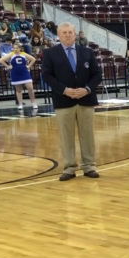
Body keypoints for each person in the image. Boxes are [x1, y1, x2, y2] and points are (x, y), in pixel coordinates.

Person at [42, 22, 102, 181]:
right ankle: (69, 168)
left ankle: (89, 166)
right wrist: (64, 90)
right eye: (64, 32)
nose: (67, 35)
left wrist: (87, 89)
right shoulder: (50, 53)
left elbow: (97, 74)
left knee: (87, 135)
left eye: (70, 32)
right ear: (58, 35)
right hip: (63, 100)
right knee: (66, 136)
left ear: (75, 34)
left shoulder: (87, 52)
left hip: (86, 99)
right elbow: (47, 76)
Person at [0, 42, 37, 113]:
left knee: (30, 88)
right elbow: (1, 60)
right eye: (14, 48)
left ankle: (33, 103)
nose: (15, 49)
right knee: (18, 90)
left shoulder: (23, 54)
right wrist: (8, 66)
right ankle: (20, 104)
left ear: (20, 48)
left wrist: (29, 66)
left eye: (16, 48)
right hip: (15, 73)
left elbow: (33, 59)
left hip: (25, 73)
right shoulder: (11, 54)